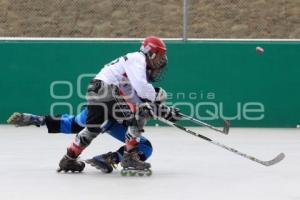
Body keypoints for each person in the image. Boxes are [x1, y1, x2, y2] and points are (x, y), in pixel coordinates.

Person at [9, 36, 180, 175]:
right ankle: (128, 157)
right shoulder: (138, 59)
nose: (161, 61)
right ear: (150, 53)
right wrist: (158, 97)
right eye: (159, 56)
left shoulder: (130, 69)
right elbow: (143, 93)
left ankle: (65, 151)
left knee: (80, 124)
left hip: (101, 94)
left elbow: (136, 98)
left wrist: (165, 111)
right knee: (137, 116)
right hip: (107, 92)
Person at [7, 87, 173, 175]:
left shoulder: (139, 93)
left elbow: (153, 108)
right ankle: (110, 158)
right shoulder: (137, 101)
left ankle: (38, 119)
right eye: (157, 104)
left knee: (73, 123)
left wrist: (171, 113)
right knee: (142, 145)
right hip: (107, 114)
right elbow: (135, 118)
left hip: (101, 111)